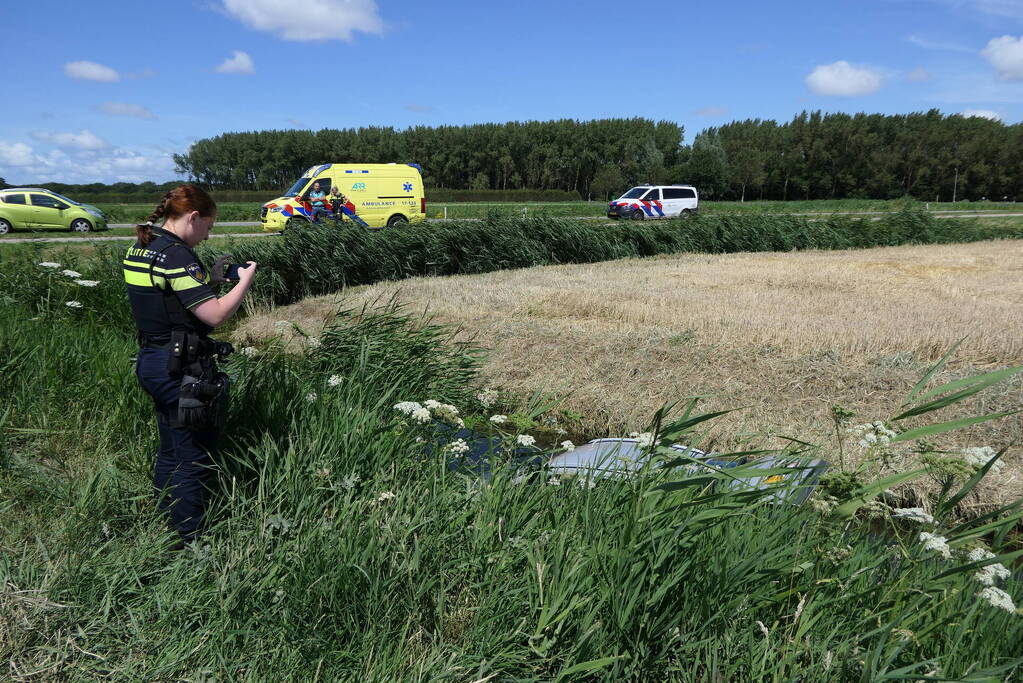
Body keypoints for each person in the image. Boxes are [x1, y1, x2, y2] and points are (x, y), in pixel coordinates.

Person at [124, 184, 257, 548]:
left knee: (170, 447)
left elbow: (167, 302)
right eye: (209, 227)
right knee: (194, 456)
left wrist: (211, 281)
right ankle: (191, 541)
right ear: (194, 217)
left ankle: (165, 521)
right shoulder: (177, 255)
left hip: (153, 360)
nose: (208, 234)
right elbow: (212, 315)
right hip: (179, 366)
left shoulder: (143, 246)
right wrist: (242, 284)